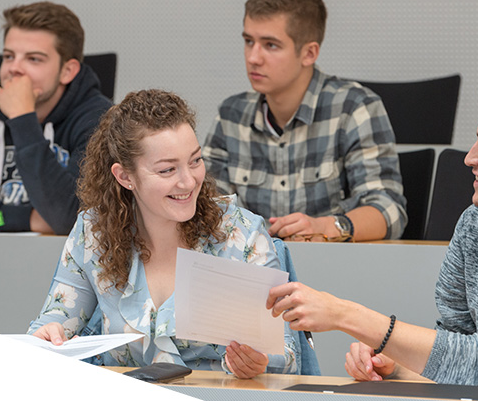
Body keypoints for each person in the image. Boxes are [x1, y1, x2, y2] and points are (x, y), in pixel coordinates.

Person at [266, 68, 478, 387]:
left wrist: (344, 315)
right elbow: (459, 363)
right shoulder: (476, 224)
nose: (469, 158)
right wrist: (398, 369)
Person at [27, 89, 299, 378]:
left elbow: (287, 353)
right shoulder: (93, 231)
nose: (188, 181)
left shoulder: (240, 233)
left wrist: (259, 362)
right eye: (168, 170)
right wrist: (47, 337)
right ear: (125, 176)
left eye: (195, 161)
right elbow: (47, 327)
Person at [203, 0, 406, 241]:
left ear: (309, 53)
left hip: (332, 270)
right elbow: (206, 209)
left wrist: (328, 227)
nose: (253, 57)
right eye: (248, 41)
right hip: (254, 271)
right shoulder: (231, 115)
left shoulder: (354, 108)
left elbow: (389, 211)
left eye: (270, 45)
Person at [0, 1, 112, 234]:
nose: (15, 68)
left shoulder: (101, 123)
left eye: (33, 59)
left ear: (68, 71)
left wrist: (22, 119)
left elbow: (74, 222)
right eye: (9, 56)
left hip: (62, 267)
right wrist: (26, 219)